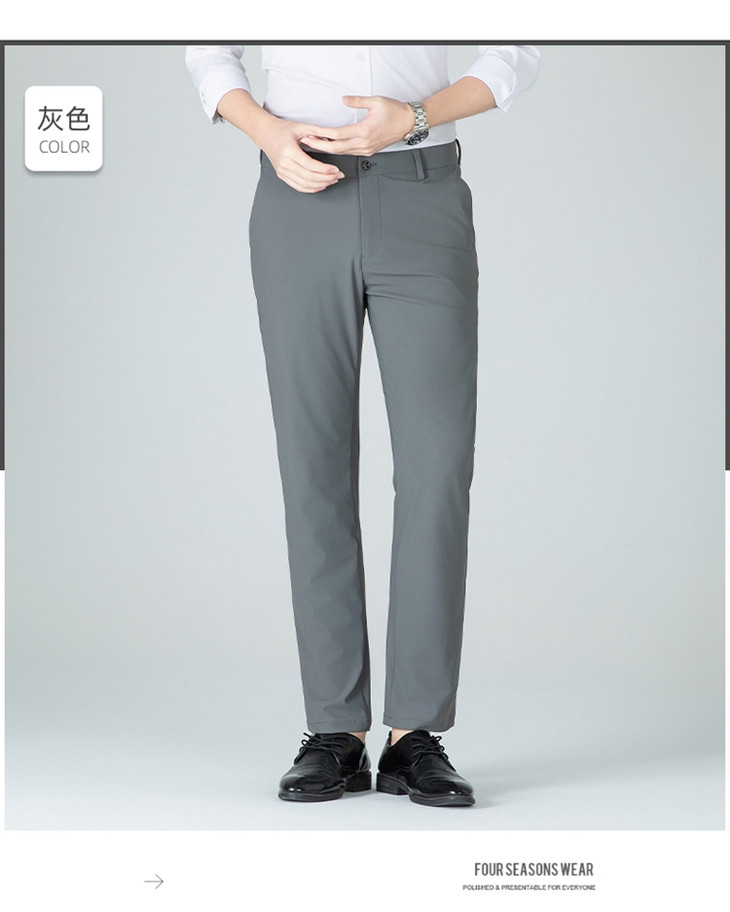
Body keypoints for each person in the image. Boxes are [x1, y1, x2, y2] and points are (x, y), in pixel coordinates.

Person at [185, 44, 539, 807]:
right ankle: (335, 729)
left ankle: (414, 734)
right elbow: (208, 48)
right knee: (311, 461)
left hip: (422, 193)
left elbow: (515, 50)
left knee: (437, 465)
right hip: (297, 194)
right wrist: (267, 132)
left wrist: (415, 117)